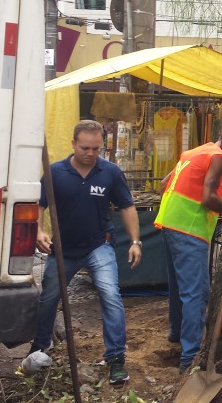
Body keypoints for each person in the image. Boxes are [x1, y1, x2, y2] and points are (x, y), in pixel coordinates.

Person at [29, 120, 141, 385]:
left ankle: (115, 359)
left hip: (98, 245)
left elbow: (127, 206)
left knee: (111, 296)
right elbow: (38, 205)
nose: (90, 153)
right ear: (73, 145)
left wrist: (136, 241)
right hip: (63, 249)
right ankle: (39, 350)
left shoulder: (110, 172)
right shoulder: (54, 172)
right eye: (85, 148)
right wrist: (37, 231)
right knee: (48, 299)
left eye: (95, 148)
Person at [155, 125, 222, 372]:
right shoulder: (218, 156)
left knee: (180, 286)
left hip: (168, 222)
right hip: (189, 229)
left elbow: (163, 183)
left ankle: (176, 333)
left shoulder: (195, 152)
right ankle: (189, 356)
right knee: (197, 292)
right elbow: (207, 196)